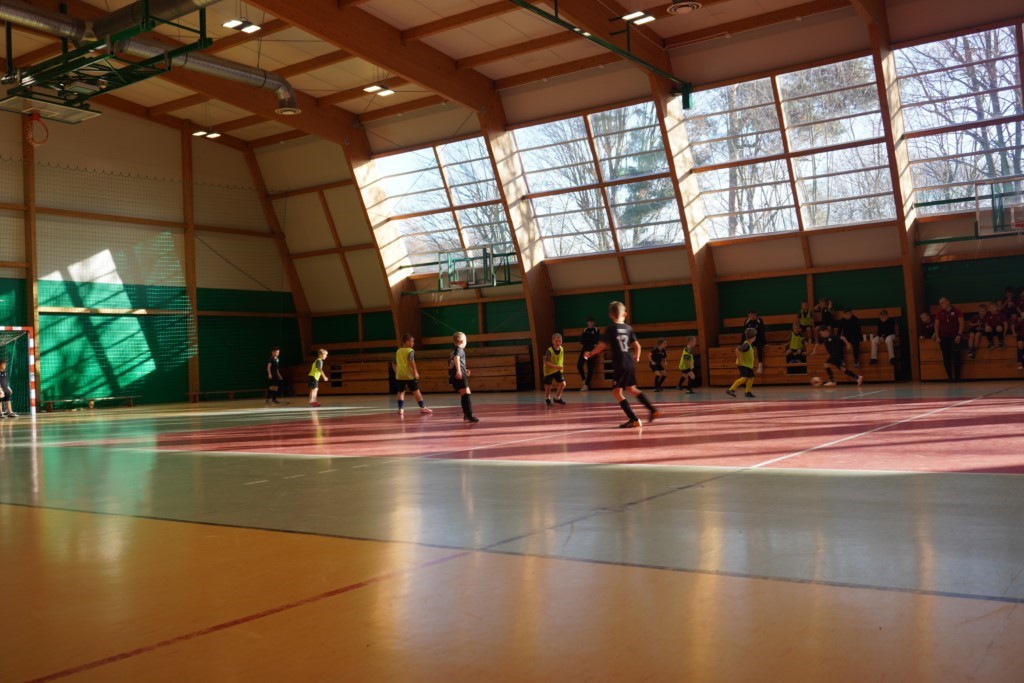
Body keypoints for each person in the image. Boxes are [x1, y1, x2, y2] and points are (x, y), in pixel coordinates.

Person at [583, 301, 660, 428]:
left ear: (610, 315)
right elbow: (638, 346)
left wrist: (590, 353)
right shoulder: (628, 328)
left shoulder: (611, 328)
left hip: (620, 363)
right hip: (629, 362)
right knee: (631, 389)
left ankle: (634, 419)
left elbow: (602, 345)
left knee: (617, 392)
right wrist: (637, 357)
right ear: (624, 314)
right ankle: (652, 410)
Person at [393, 333, 433, 416]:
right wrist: (415, 371)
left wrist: (396, 372)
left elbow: (393, 363)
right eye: (412, 341)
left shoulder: (398, 351)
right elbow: (411, 361)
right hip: (409, 375)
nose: (413, 343)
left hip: (400, 375)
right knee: (416, 391)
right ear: (407, 341)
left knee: (401, 392)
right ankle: (422, 407)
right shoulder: (410, 351)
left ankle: (400, 409)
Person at [449, 331, 479, 423]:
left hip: (457, 374)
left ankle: (466, 415)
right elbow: (456, 359)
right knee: (466, 394)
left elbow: (451, 364)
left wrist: (464, 370)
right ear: (462, 341)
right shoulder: (459, 350)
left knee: (465, 393)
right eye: (466, 340)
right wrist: (459, 371)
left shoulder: (453, 350)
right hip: (459, 375)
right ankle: (469, 415)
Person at [934, 296, 964, 381]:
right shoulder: (939, 312)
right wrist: (937, 337)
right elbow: (936, 326)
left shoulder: (957, 311)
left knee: (957, 358)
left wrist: (959, 335)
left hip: (954, 337)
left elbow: (961, 323)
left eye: (943, 302)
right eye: (940, 303)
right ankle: (950, 377)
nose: (941, 305)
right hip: (943, 338)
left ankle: (957, 377)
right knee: (946, 358)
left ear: (948, 302)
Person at [726, 328, 758, 398]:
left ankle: (747, 392)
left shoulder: (749, 345)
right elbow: (737, 350)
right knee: (744, 378)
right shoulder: (746, 344)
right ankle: (731, 389)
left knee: (751, 378)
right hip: (743, 365)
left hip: (748, 365)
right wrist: (740, 360)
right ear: (754, 337)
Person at [543, 333, 567, 406]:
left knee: (563, 384)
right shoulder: (549, 351)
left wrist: (560, 367)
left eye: (559, 341)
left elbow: (560, 359)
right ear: (552, 341)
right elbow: (546, 362)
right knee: (549, 386)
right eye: (556, 341)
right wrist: (556, 366)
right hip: (549, 370)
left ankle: (557, 398)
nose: (558, 343)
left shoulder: (561, 349)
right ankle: (547, 399)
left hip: (557, 369)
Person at [577, 317, 600, 391]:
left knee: (590, 368)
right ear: (587, 323)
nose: (590, 323)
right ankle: (584, 380)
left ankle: (586, 385)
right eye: (589, 322)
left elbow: (595, 340)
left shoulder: (596, 330)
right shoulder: (585, 330)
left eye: (592, 322)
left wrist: (589, 342)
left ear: (594, 323)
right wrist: (590, 342)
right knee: (579, 365)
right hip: (584, 349)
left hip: (592, 350)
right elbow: (581, 341)